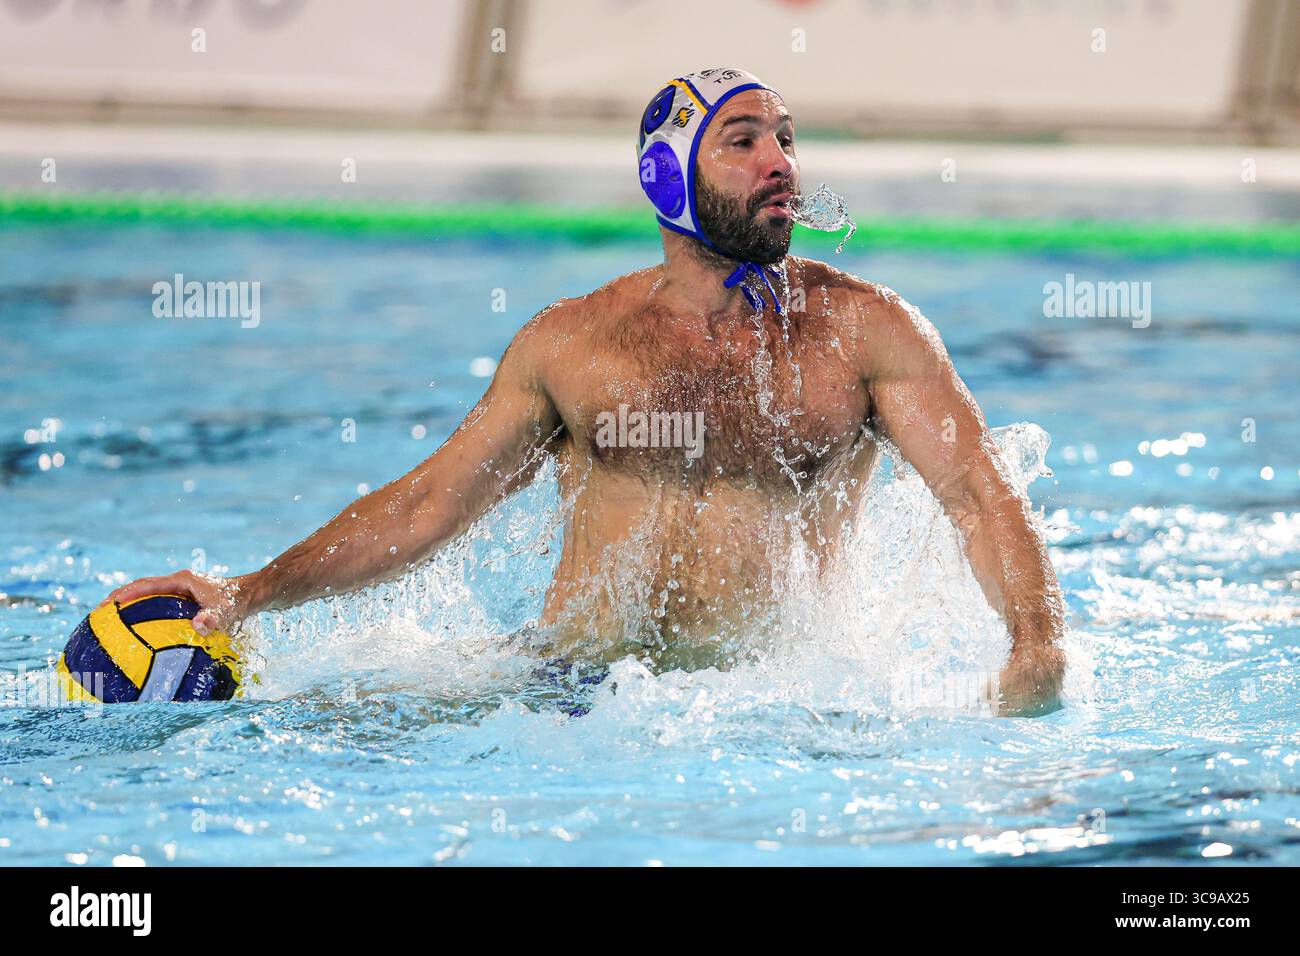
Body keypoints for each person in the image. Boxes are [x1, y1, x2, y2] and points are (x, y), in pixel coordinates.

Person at [106, 68, 1066, 716]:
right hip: (562, 696)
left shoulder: (864, 330)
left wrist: (1035, 646)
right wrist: (251, 591)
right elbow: (432, 504)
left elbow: (981, 495)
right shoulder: (573, 344)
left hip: (765, 707)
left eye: (785, 139)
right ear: (665, 174)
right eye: (743, 141)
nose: (781, 162)